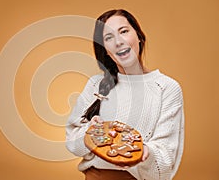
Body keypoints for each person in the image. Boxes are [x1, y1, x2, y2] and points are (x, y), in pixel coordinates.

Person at [66, 9, 184, 180]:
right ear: (105, 49)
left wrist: (145, 152)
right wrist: (91, 133)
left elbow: (165, 160)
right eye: (108, 38)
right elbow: (72, 141)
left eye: (124, 31)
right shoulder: (95, 85)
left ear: (139, 36)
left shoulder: (166, 88)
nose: (118, 42)